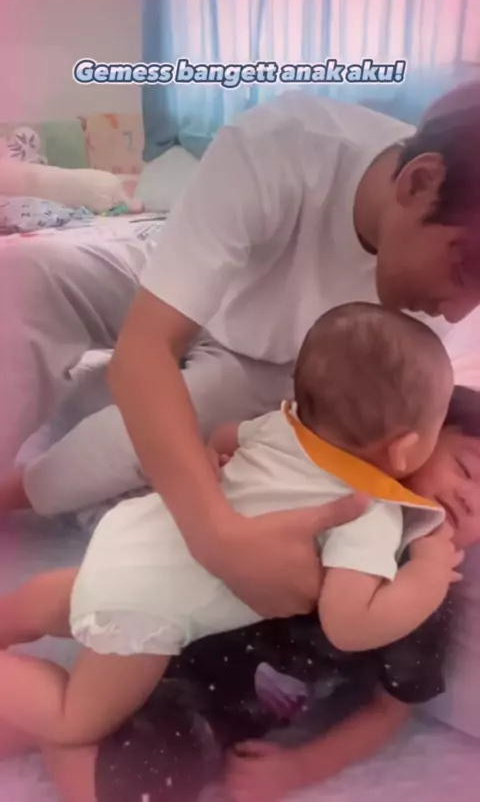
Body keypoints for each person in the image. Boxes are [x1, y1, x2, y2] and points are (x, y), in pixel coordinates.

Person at [2, 83, 480, 616]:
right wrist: (215, 536)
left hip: (277, 365)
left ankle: (19, 489)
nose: (459, 313)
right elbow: (148, 346)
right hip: (173, 279)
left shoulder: (423, 307)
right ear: (419, 182)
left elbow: (398, 430)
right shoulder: (286, 145)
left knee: (145, 435)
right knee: (22, 276)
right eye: (465, 270)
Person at [0, 302, 461, 749]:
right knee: (74, 719)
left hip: (138, 533)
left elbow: (222, 437)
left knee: (64, 597)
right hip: (151, 607)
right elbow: (349, 625)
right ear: (404, 448)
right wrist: (429, 573)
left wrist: (220, 460)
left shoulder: (283, 425)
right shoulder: (369, 511)